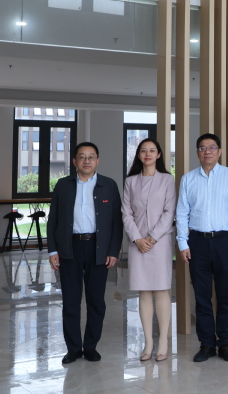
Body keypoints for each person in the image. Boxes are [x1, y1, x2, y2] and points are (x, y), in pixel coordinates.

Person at [47, 142, 123, 364]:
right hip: (69, 248)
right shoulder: (63, 185)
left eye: (91, 157)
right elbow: (53, 220)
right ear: (75, 161)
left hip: (98, 248)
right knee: (71, 300)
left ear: (97, 161)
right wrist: (53, 249)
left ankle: (90, 346)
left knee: (96, 301)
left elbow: (116, 222)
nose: (86, 161)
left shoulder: (109, 185)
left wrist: (113, 250)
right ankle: (73, 348)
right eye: (82, 157)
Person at [176, 133, 228, 362]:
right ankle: (206, 344)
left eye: (212, 147)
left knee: (225, 296)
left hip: (225, 241)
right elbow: (181, 212)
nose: (208, 151)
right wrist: (182, 243)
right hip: (198, 242)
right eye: (203, 148)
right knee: (202, 297)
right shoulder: (188, 179)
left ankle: (225, 343)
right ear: (197, 153)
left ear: (219, 151)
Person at [122, 138, 176, 362]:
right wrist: (137, 238)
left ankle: (163, 341)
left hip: (160, 242)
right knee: (143, 292)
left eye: (152, 150)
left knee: (161, 290)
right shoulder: (130, 182)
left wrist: (152, 237)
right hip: (138, 244)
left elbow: (169, 211)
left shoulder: (167, 180)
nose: (147, 154)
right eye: (143, 150)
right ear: (138, 155)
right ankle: (148, 342)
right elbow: (126, 213)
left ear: (159, 154)